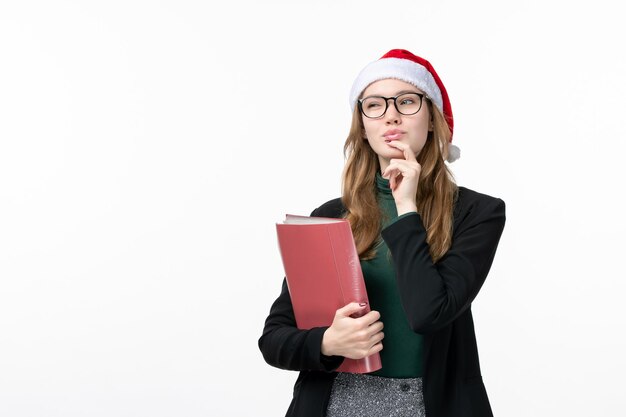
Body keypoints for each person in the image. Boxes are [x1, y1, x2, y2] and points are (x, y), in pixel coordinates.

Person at [258, 49, 506, 417]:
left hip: (426, 404)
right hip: (335, 401)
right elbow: (274, 339)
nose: (391, 114)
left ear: (433, 120)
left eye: (407, 101)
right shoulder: (329, 217)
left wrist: (406, 207)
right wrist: (327, 342)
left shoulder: (477, 213)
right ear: (362, 126)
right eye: (374, 105)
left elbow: (428, 313)